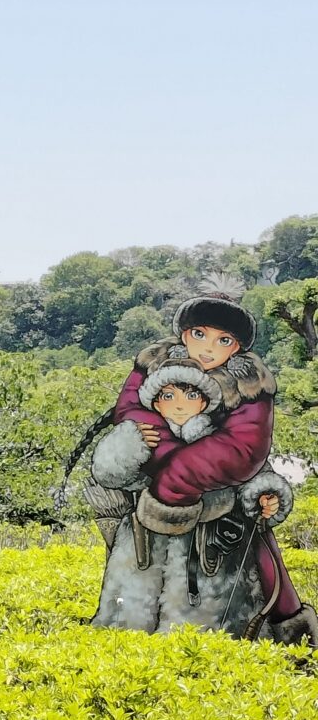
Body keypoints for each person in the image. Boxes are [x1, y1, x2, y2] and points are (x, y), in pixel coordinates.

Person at [104, 276, 317, 646]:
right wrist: (159, 453)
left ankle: (287, 636)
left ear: (236, 347)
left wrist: (174, 480)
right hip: (150, 503)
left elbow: (244, 449)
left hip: (220, 502)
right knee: (139, 586)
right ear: (184, 333)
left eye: (223, 341)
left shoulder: (249, 381)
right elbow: (131, 412)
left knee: (251, 571)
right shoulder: (156, 363)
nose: (207, 349)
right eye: (199, 334)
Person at [89, 357, 292, 636]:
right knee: (129, 622)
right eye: (168, 395)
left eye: (191, 394)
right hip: (143, 546)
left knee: (207, 628)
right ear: (156, 403)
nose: (179, 403)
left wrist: (266, 495)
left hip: (211, 546)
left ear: (205, 401)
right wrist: (128, 445)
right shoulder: (145, 435)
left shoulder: (222, 439)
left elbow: (252, 475)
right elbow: (109, 474)